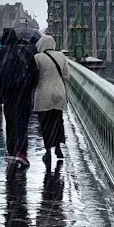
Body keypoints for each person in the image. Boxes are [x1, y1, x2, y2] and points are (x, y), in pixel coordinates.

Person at [0, 29, 39, 168]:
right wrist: (30, 88)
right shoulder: (26, 52)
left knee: (10, 121)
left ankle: (11, 150)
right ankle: (21, 152)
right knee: (22, 122)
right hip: (24, 92)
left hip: (8, 93)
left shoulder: (0, 53)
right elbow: (35, 73)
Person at [33, 35, 69, 163]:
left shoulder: (37, 57)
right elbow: (66, 75)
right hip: (59, 92)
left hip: (43, 93)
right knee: (57, 121)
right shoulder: (61, 56)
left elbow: (34, 76)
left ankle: (48, 150)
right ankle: (58, 147)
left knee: (45, 123)